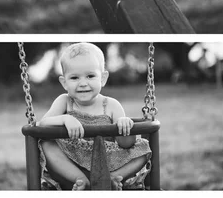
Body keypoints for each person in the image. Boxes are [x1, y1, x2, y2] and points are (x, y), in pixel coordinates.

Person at [37, 42, 151, 190]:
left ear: (103, 78)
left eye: (90, 76)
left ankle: (113, 177)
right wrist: (65, 119)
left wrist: (124, 124)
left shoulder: (111, 105)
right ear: (64, 82)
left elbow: (125, 144)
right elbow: (42, 124)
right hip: (72, 159)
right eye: (74, 78)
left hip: (108, 161)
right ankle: (81, 180)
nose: (83, 83)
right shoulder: (64, 102)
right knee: (46, 145)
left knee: (143, 148)